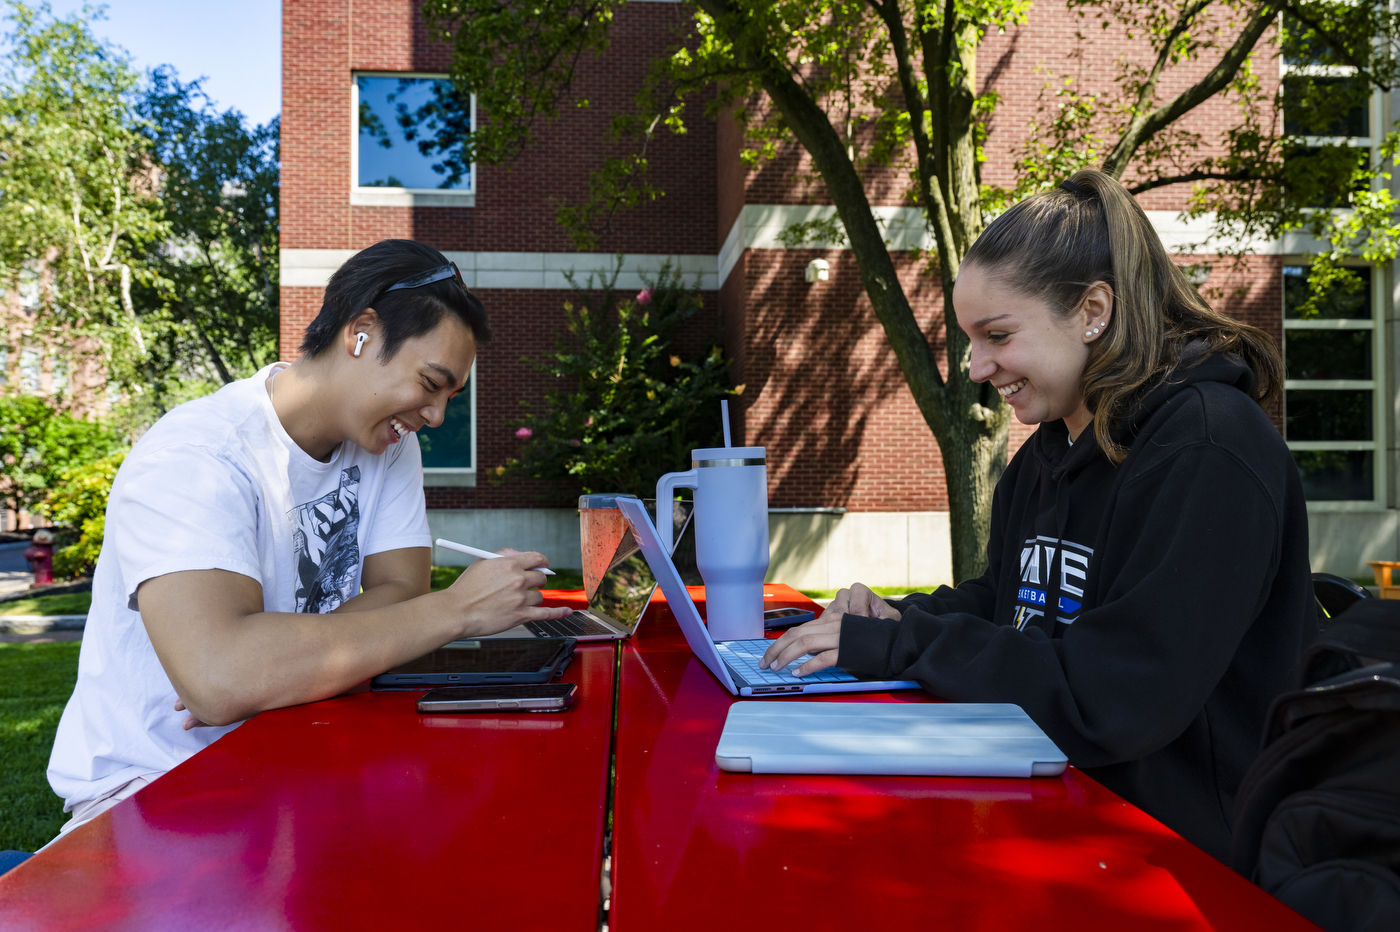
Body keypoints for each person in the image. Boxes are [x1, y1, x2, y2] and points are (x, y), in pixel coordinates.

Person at [761, 169, 1318, 862]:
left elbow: (1116, 696)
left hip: (1190, 860)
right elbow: (1008, 607)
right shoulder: (1047, 454)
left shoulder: (1209, 448)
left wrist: (904, 648)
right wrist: (897, 619)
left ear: (1092, 311)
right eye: (971, 339)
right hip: (1059, 807)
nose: (975, 366)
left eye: (996, 334)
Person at [45, 239, 572, 841]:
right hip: (160, 793)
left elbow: (402, 590)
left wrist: (273, 671)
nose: (436, 416)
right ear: (362, 332)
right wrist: (455, 611)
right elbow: (221, 681)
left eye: (449, 396)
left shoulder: (387, 446)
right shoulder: (196, 456)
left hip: (291, 750)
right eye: (431, 383)